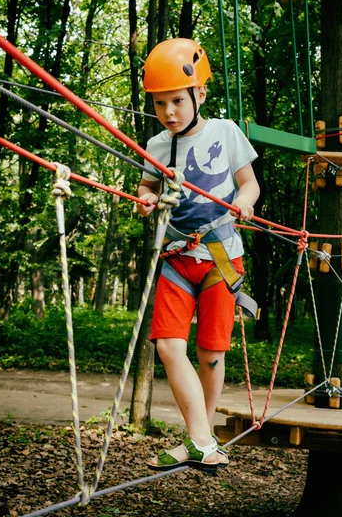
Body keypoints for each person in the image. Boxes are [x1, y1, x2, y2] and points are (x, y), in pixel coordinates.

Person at [137, 38, 260, 472]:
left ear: (199, 94)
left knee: (210, 353)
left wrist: (244, 201)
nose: (168, 112)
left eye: (176, 101)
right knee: (170, 347)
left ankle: (199, 437)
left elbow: (250, 184)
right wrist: (145, 199)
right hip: (176, 257)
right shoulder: (156, 146)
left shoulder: (225, 132)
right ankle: (202, 439)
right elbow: (148, 186)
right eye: (159, 104)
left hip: (221, 258)